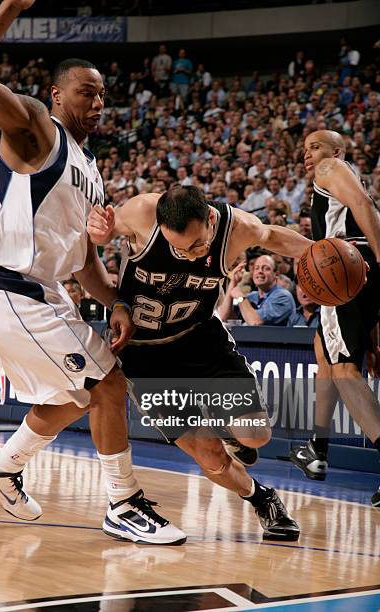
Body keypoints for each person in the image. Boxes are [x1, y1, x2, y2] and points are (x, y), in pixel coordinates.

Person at [0, 0, 185, 545]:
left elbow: (87, 265)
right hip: (6, 286)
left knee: (69, 398)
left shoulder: (92, 172)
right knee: (106, 384)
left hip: (40, 293)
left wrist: (118, 303)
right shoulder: (34, 128)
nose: (98, 102)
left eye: (103, 94)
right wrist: (9, 8)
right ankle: (123, 503)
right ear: (56, 95)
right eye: (87, 92)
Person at [88, 185, 314, 540]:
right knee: (210, 458)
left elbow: (273, 237)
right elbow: (92, 239)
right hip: (145, 358)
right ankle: (262, 498)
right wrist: (98, 232)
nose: (192, 255)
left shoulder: (235, 227)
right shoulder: (141, 212)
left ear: (210, 219)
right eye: (180, 247)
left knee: (256, 436)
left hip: (200, 340)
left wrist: (323, 251)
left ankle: (232, 433)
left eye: (198, 245)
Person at [290, 130, 380, 507]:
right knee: (324, 351)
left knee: (343, 369)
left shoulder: (332, 169)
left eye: (315, 147)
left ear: (337, 151)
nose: (308, 155)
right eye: (305, 150)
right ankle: (318, 446)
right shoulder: (340, 184)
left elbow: (363, 205)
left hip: (346, 273)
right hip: (360, 272)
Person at [229, 255, 296, 326]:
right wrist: (233, 282)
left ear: (276, 274)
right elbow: (224, 316)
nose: (260, 271)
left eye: (266, 268)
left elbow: (255, 322)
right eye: (256, 268)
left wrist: (240, 297)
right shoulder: (252, 296)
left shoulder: (283, 297)